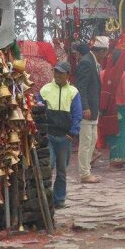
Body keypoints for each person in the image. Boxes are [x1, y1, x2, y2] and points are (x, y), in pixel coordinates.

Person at [37, 61, 82, 209]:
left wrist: (73, 133)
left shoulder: (73, 92)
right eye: (56, 72)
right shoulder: (45, 90)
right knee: (48, 166)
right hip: (48, 135)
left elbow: (77, 114)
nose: (57, 75)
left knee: (62, 170)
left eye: (61, 73)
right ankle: (45, 198)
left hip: (64, 137)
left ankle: (59, 199)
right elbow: (37, 110)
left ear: (67, 75)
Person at [75, 36, 108, 183]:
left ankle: (86, 168)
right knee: (86, 141)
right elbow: (81, 87)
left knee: (92, 139)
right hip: (87, 109)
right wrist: (85, 107)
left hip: (93, 108)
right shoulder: (86, 62)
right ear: (101, 51)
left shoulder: (93, 62)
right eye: (105, 52)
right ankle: (84, 173)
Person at [100, 49, 125, 168]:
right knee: (120, 133)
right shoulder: (124, 74)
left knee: (112, 132)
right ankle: (117, 160)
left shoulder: (103, 73)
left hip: (107, 108)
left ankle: (116, 158)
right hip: (119, 107)